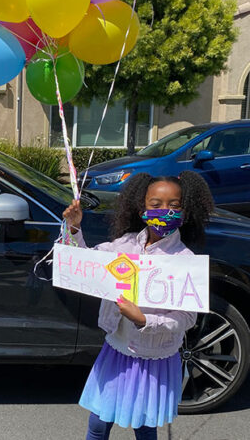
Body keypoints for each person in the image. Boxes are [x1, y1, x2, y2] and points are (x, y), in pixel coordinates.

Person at [62, 171, 214, 440]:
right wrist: (74, 228)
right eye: (155, 205)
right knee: (98, 423)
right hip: (117, 349)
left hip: (156, 356)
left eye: (173, 206)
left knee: (145, 428)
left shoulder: (184, 259)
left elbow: (187, 317)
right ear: (141, 207)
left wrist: (145, 320)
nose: (164, 211)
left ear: (185, 210)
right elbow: (84, 264)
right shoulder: (125, 245)